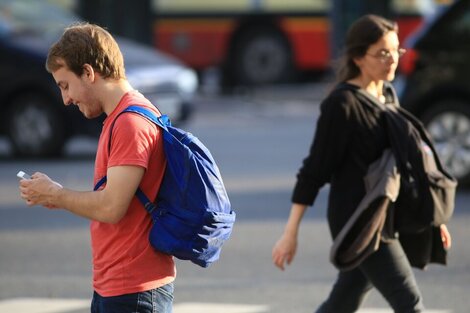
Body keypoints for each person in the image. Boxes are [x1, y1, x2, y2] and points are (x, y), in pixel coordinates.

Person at [272, 14, 452, 313]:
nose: (392, 59)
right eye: (383, 53)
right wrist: (290, 233)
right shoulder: (342, 105)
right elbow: (314, 171)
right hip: (361, 222)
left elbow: (406, 162)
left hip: (386, 214)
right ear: (357, 57)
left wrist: (435, 219)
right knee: (410, 303)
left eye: (396, 51)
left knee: (344, 301)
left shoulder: (387, 94)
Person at [18, 23, 175, 313]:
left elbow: (111, 207)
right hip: (117, 286)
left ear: (88, 73)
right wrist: (57, 196)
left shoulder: (130, 123)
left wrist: (57, 194)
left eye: (66, 85)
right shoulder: (119, 118)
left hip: (134, 290)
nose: (65, 99)